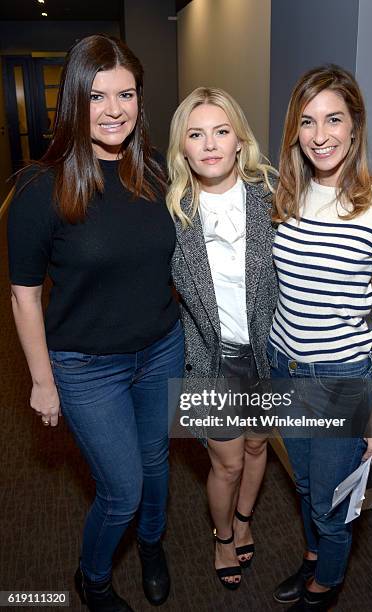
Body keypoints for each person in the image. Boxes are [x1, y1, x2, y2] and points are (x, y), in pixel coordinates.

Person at [7, 35, 184, 611]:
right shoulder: (39, 187)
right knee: (123, 490)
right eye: (97, 95)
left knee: (157, 465)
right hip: (86, 366)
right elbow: (24, 293)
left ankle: (152, 547)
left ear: (139, 99)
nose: (114, 109)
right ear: (74, 103)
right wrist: (41, 380)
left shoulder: (157, 172)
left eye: (126, 94)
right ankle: (95, 577)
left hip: (161, 348)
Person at [268, 64, 372, 611]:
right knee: (305, 486)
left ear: (356, 126)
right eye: (307, 122)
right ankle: (313, 560)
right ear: (295, 131)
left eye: (334, 119)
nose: (320, 135)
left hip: (339, 380)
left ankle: (325, 586)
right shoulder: (287, 196)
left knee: (331, 504)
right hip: (285, 368)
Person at [167, 87, 278, 590]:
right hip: (209, 360)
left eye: (221, 131)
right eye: (196, 134)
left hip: (268, 354)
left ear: (239, 141)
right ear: (182, 148)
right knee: (227, 463)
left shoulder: (273, 200)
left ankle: (248, 519)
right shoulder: (170, 215)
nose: (209, 144)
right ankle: (223, 534)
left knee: (258, 449)